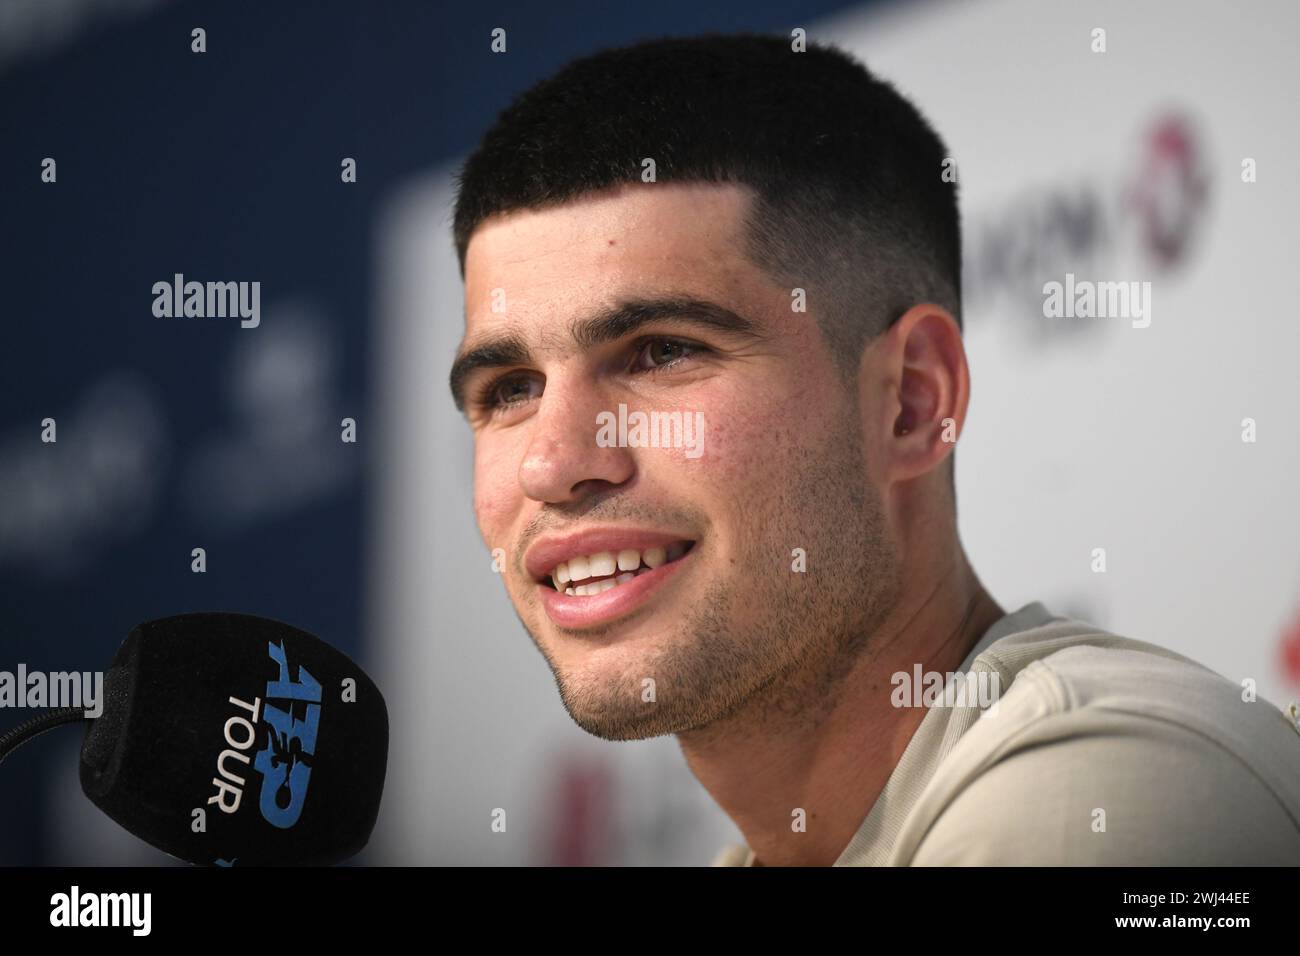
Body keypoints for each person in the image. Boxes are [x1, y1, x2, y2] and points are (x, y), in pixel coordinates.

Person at [447, 33, 1300, 865]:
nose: (551, 463)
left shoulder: (1097, 794)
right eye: (510, 389)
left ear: (911, 402)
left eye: (661, 352)